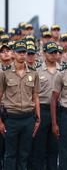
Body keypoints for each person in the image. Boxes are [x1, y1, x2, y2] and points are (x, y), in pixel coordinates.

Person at [0, 40, 41, 170]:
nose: (22, 55)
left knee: (24, 155)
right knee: (10, 154)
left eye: (24, 52)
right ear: (13, 53)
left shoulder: (33, 73)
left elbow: (35, 97)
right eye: (19, 52)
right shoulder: (5, 73)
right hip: (11, 119)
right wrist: (0, 121)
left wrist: (38, 118)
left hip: (28, 118)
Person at [29, 42, 60, 170]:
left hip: (58, 111)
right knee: (39, 149)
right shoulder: (36, 70)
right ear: (44, 54)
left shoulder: (63, 69)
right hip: (41, 110)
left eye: (55, 52)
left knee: (54, 149)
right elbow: (32, 93)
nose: (53, 55)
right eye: (50, 52)